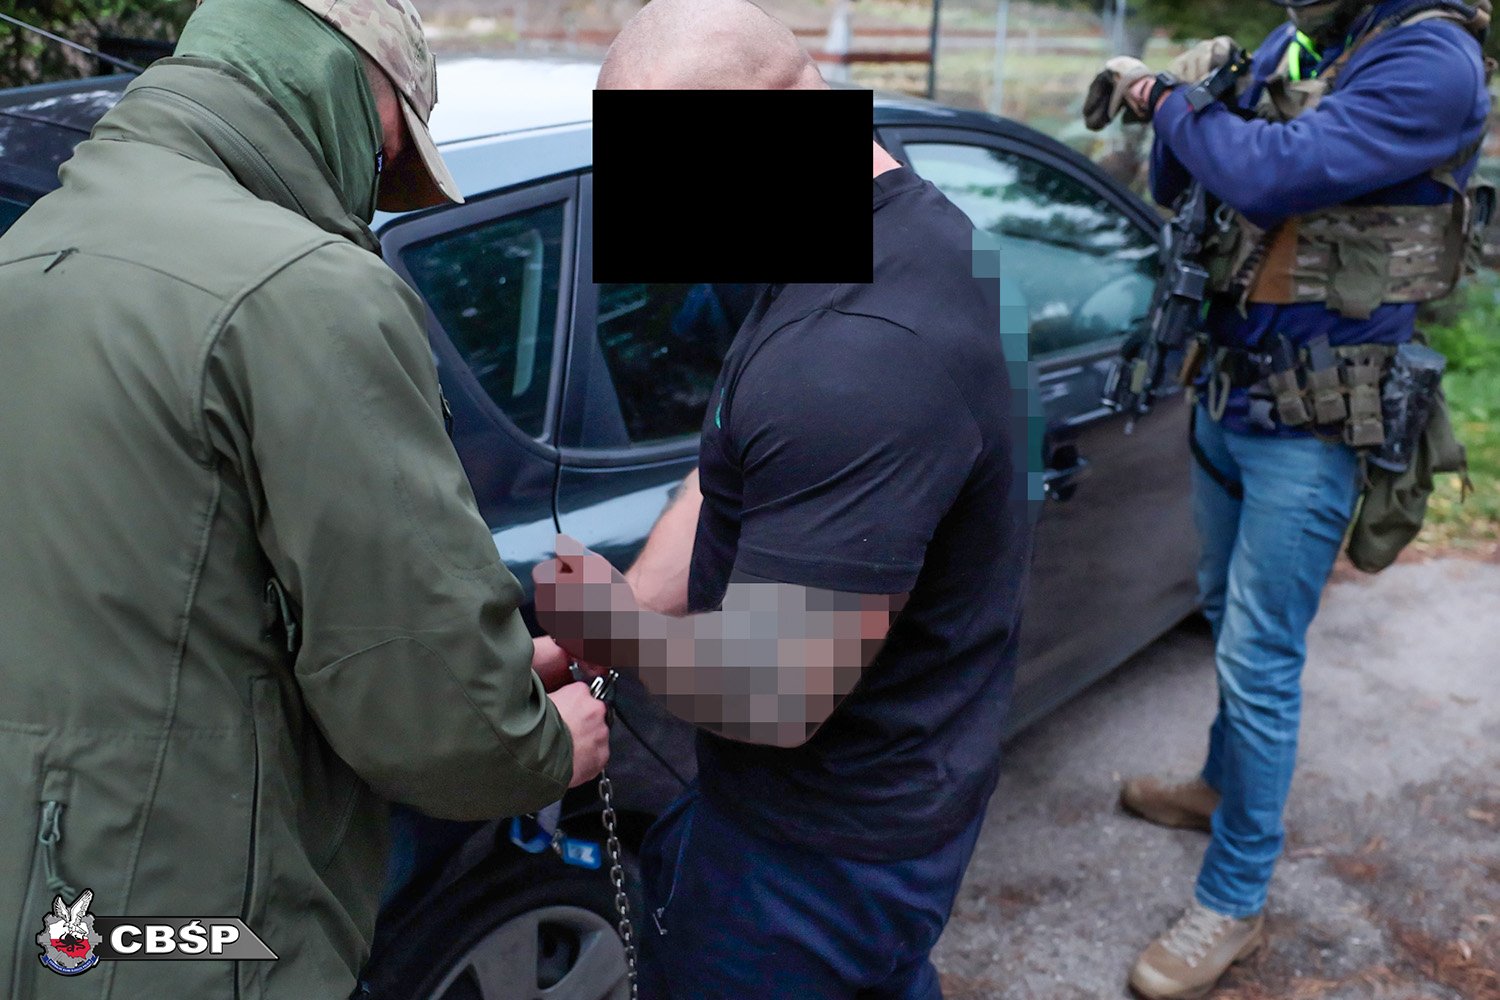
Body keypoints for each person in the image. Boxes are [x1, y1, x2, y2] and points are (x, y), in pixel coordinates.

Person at [0, 0, 609, 995]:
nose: (382, 173)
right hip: (194, 920)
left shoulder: (25, 252)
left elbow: (162, 615)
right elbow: (422, 698)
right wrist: (541, 748)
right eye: (397, 137)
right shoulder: (307, 290)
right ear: (343, 77)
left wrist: (492, 674)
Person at [532, 1, 1034, 996]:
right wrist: (628, 611)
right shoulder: (890, 230)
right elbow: (735, 471)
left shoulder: (860, 358)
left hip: (819, 857)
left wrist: (615, 628)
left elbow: (774, 694)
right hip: (881, 796)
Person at [1086, 0, 1490, 996]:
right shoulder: (1308, 41)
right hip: (1227, 394)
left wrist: (1166, 97)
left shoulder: (1431, 60)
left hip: (1314, 422)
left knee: (1260, 656)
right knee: (1223, 613)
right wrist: (1195, 102)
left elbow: (1271, 174)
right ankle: (1217, 786)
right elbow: (1189, 182)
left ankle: (1233, 899)